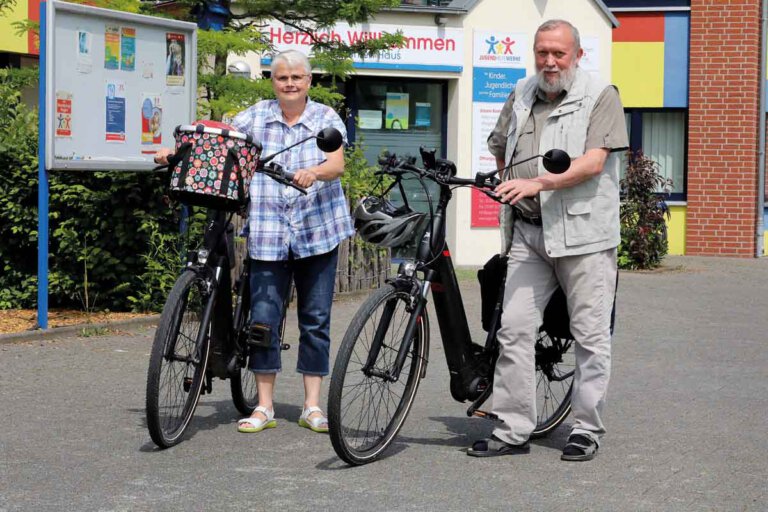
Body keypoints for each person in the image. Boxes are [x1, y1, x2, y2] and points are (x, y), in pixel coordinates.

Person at [156, 49, 353, 434]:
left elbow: (337, 163)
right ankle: (264, 406)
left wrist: (313, 172)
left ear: (309, 81)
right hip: (268, 231)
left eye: (297, 77)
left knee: (315, 321)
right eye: (283, 78)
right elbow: (217, 142)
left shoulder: (325, 118)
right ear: (273, 81)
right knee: (263, 319)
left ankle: (312, 405)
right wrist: (175, 155)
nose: (290, 84)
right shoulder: (253, 117)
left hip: (318, 232)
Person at [467, 19, 628, 461]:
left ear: (577, 55)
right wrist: (507, 180)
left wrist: (537, 183)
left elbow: (594, 162)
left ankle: (586, 429)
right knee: (513, 328)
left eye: (559, 53)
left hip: (584, 236)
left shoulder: (600, 95)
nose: (550, 61)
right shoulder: (520, 92)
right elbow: (499, 143)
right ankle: (514, 427)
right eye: (542, 52)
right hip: (529, 232)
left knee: (590, 335)